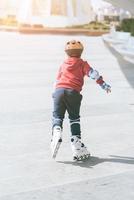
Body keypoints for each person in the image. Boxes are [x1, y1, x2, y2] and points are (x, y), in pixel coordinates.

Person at [51, 40, 111, 161]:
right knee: (74, 118)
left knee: (57, 116)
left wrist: (55, 94)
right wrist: (103, 85)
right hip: (73, 92)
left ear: (67, 52)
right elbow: (93, 74)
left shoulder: (63, 64)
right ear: (81, 52)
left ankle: (57, 130)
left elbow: (57, 80)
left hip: (58, 91)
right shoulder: (82, 63)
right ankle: (76, 143)